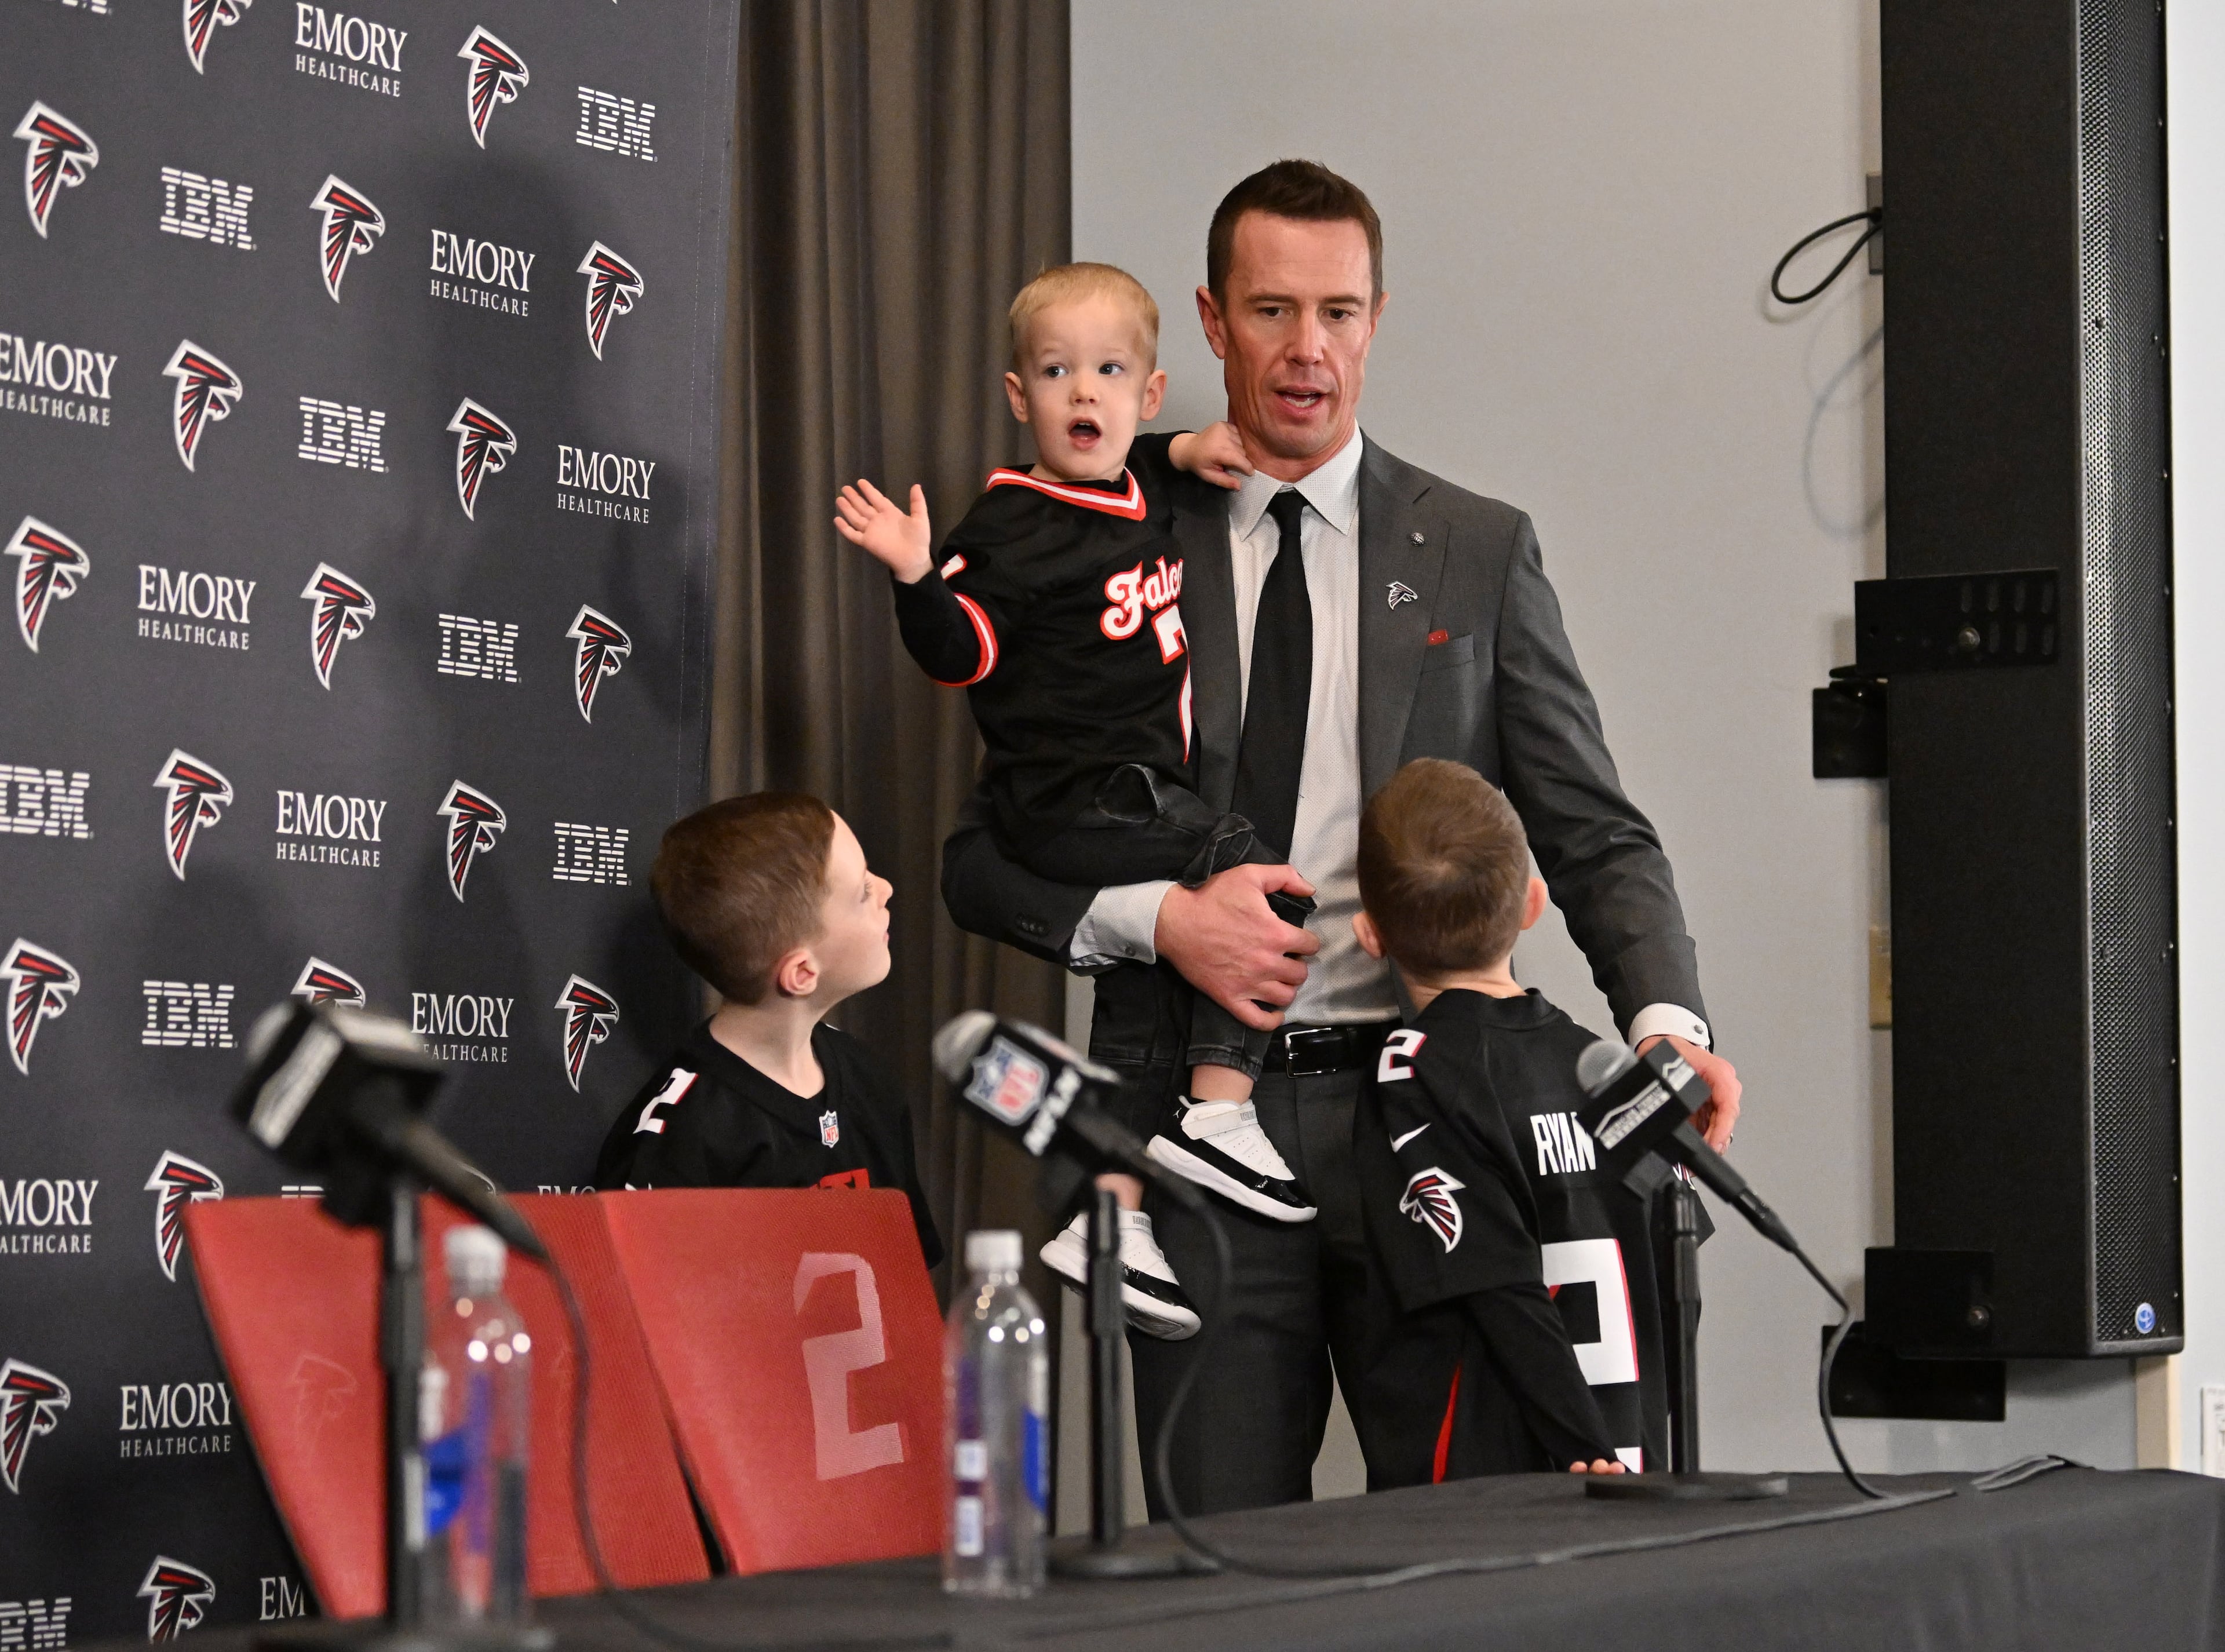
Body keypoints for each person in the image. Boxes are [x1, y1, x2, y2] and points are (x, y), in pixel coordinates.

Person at [939, 159, 1741, 1515]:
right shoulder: (1102, 529)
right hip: (1187, 1128)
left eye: (1338, 312)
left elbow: (1593, 829)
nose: (1306, 349)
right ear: (1207, 322)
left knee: (1468, 1533)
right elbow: (982, 856)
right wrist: (1159, 923)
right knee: (1221, 1544)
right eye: (1269, 310)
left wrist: (1669, 1020)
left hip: (1430, 1118)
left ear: (1376, 319)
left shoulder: (1478, 549)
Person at [834, 262, 1316, 1341]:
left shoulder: (1137, 479)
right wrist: (918, 577)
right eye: (1057, 374)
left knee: (1160, 976)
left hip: (1129, 793)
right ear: (1020, 398)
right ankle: (1219, 1114)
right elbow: (959, 654)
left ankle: (1110, 1212)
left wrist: (1184, 450)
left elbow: (1129, 468)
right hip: (1075, 797)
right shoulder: (1005, 525)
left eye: (1107, 373)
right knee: (1253, 871)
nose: (1082, 394)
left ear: (1147, 395)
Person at [1351, 758, 1665, 1482]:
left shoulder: (1415, 1071)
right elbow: (1673, 1269)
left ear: (1370, 934)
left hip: (1504, 1491)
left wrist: (1585, 1451)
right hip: (1639, 1468)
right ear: (1533, 903)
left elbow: (1500, 1288)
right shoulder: (1606, 1068)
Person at [593, 792, 941, 1268]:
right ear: (801, 973)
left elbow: (906, 1290)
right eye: (862, 892)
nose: (886, 888)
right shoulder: (682, 1138)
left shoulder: (870, 1084)